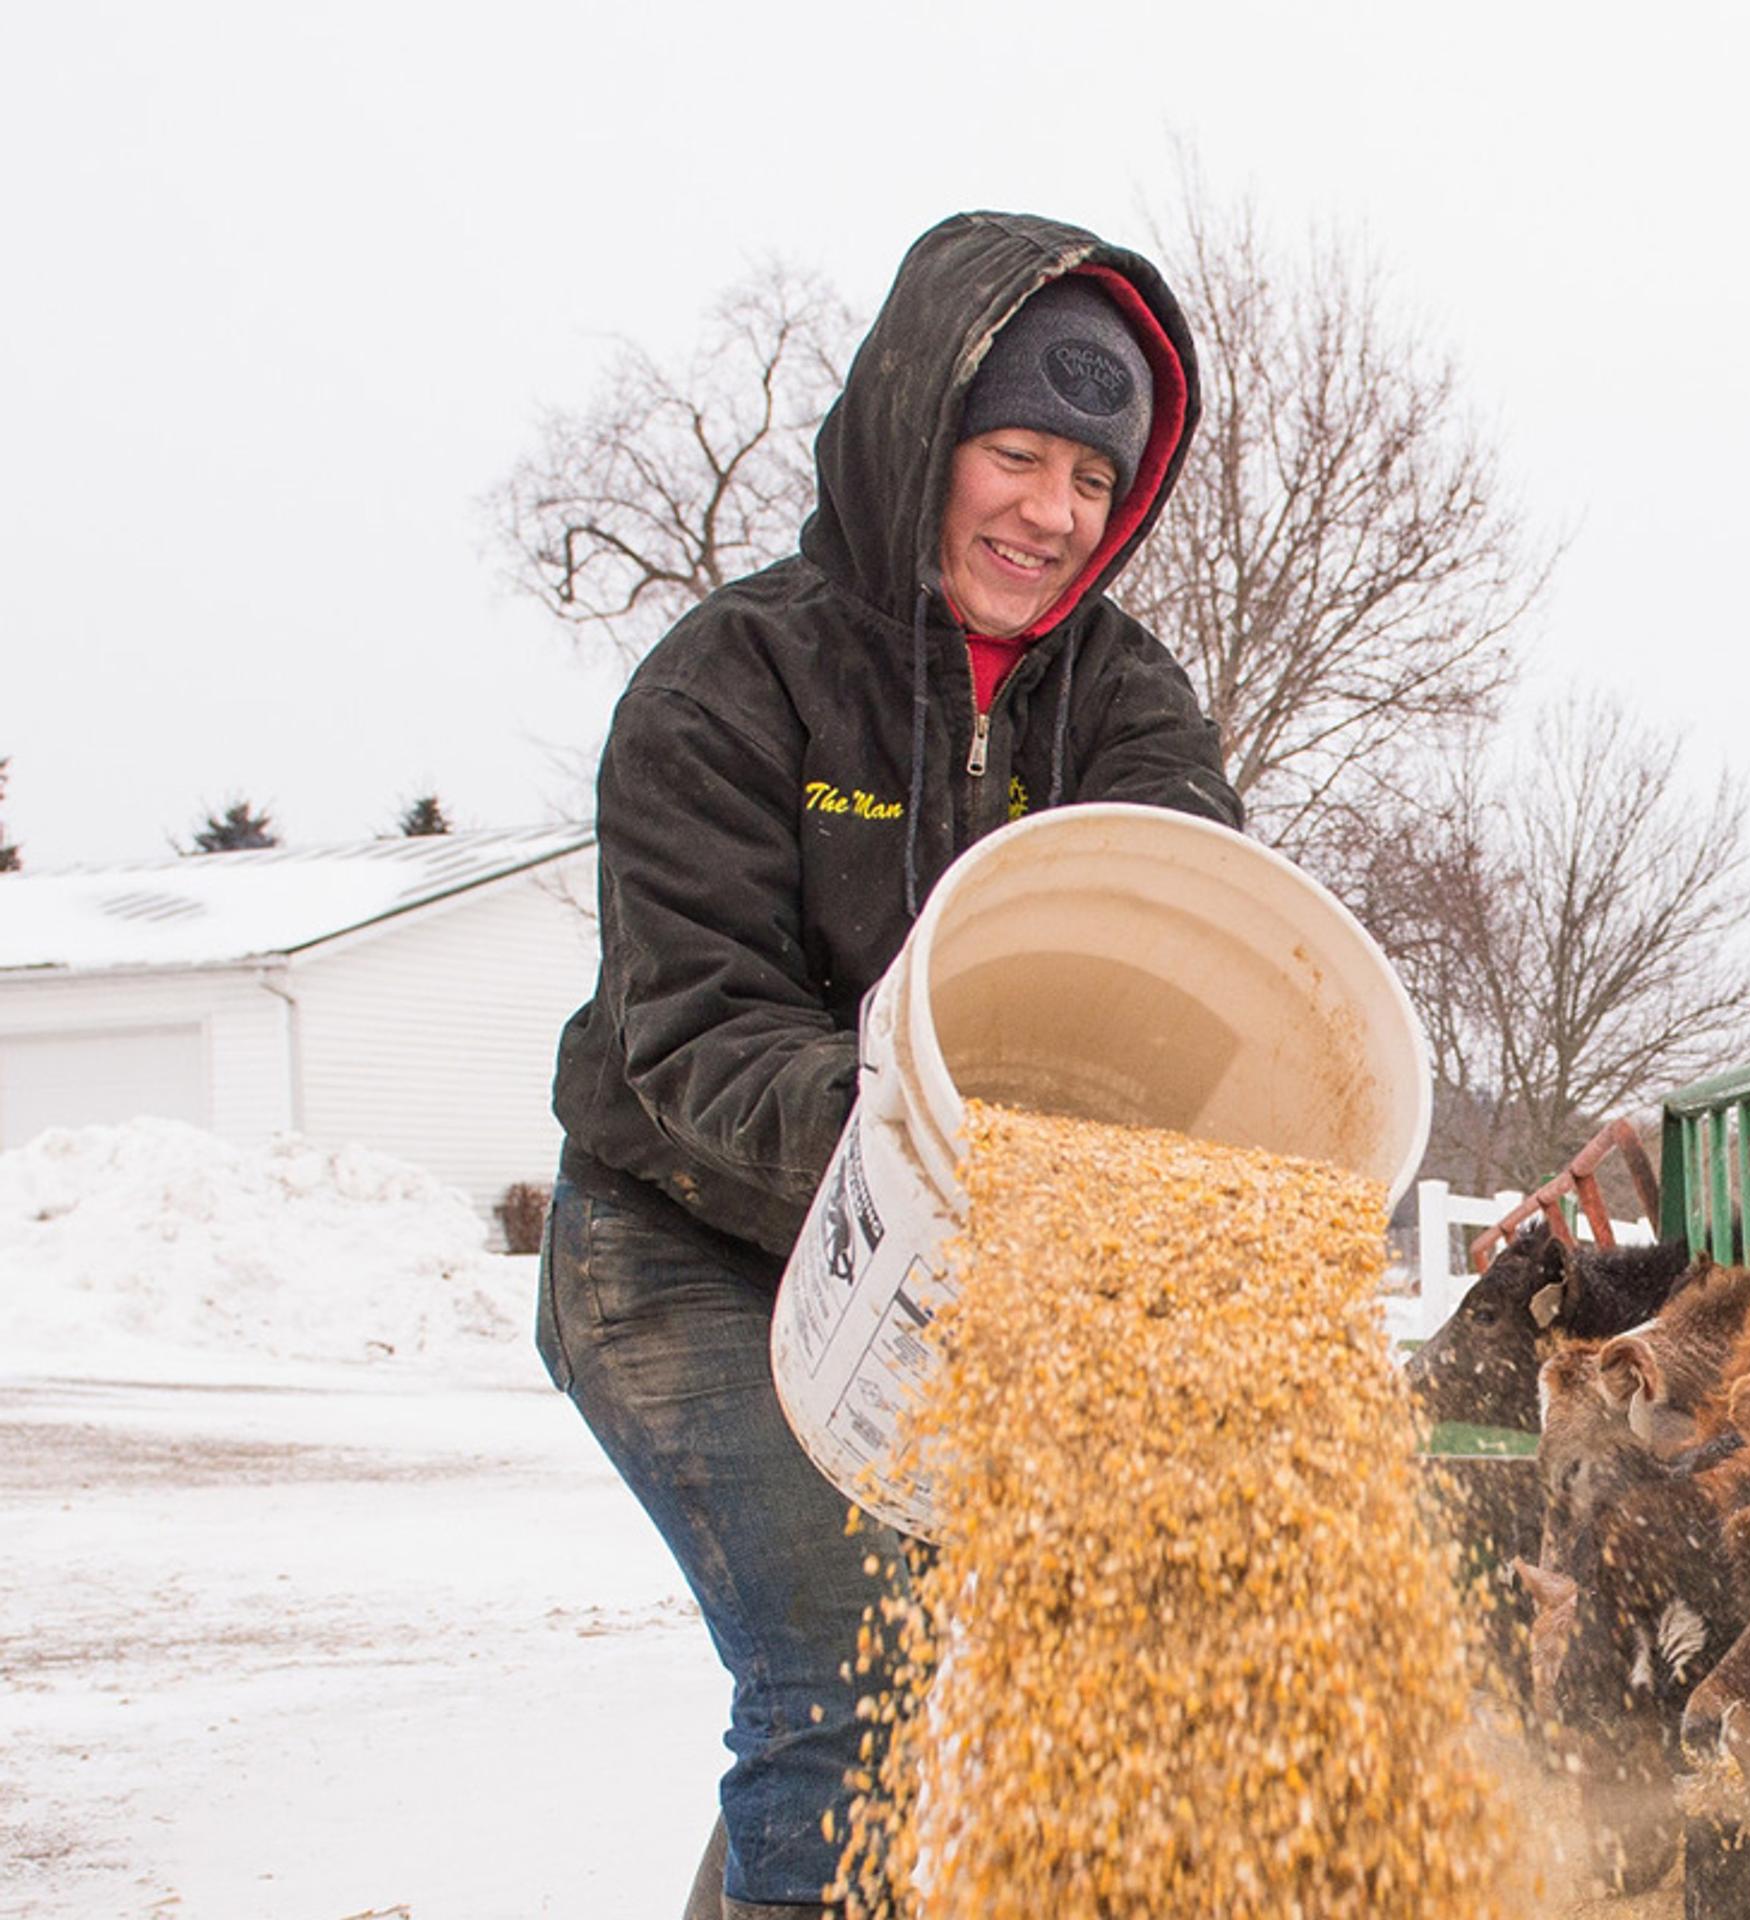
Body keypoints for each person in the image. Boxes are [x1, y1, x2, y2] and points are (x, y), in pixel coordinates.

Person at [538, 211, 1240, 1918]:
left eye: (1091, 476)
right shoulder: (735, 681)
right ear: (922, 438)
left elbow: (1197, 942)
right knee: (851, 1662)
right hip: (687, 1240)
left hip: (964, 1252)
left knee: (960, 1666)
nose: (1050, 512)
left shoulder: (1124, 705)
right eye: (1013, 453)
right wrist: (923, 1153)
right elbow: (695, 1029)